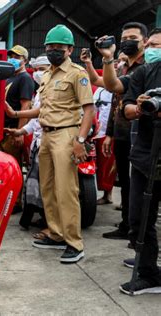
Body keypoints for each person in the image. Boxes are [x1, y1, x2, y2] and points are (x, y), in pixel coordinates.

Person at [11, 25, 95, 263]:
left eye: (59, 48)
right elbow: (44, 109)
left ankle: (74, 243)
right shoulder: (46, 75)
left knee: (66, 190)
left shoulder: (77, 74)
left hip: (66, 135)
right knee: (47, 189)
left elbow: (88, 110)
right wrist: (17, 114)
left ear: (69, 49)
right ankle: (56, 234)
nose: (54, 51)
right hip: (45, 136)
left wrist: (80, 140)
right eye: (50, 47)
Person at [85, 22, 147, 240]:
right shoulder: (122, 68)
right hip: (121, 131)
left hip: (141, 134)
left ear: (144, 42)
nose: (127, 42)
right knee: (127, 182)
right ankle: (127, 225)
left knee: (139, 183)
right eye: (124, 38)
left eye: (133, 38)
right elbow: (112, 96)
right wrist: (110, 133)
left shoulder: (148, 67)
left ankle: (137, 229)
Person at [119, 27, 161, 295]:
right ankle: (148, 272)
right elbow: (127, 107)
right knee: (138, 217)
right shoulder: (143, 72)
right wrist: (138, 108)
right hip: (146, 153)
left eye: (159, 44)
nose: (154, 48)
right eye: (152, 44)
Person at [5, 54, 50, 231]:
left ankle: (51, 226)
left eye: (44, 69)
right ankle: (44, 219)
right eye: (37, 69)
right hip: (38, 143)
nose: (39, 73)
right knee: (36, 183)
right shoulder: (40, 90)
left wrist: (16, 118)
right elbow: (35, 118)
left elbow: (32, 111)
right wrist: (21, 130)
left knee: (48, 185)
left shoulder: (54, 88)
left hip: (52, 140)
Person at [0, 45, 34, 213]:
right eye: (10, 55)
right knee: (3, 169)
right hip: (3, 130)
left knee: (14, 169)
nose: (12, 58)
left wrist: (20, 132)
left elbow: (25, 105)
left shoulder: (25, 78)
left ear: (25, 60)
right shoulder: (9, 77)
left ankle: (17, 202)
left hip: (13, 130)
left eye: (17, 56)